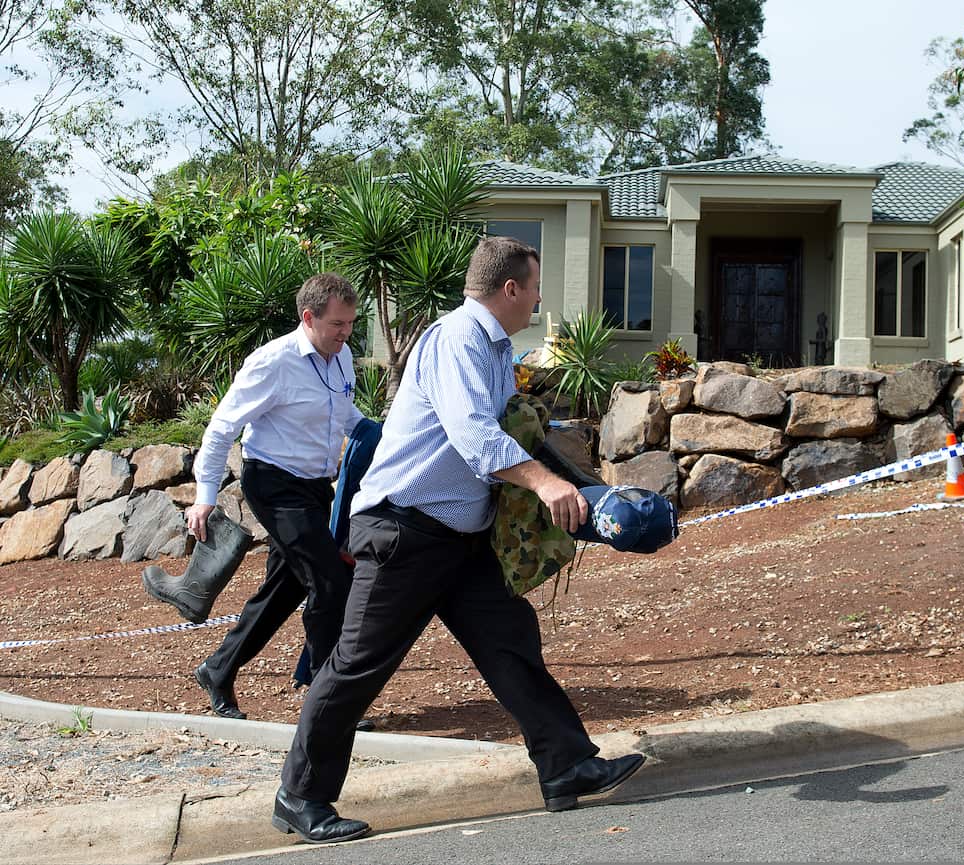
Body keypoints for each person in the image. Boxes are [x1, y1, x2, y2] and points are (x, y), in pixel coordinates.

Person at [271, 237, 645, 844]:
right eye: (536, 286)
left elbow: (515, 434)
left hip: (458, 537)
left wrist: (591, 492)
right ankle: (300, 795)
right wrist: (547, 487)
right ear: (511, 289)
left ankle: (566, 764)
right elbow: (474, 436)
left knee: (510, 640)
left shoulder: (496, 348)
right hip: (404, 530)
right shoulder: (457, 339)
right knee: (357, 665)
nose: (541, 299)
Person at [187, 272, 364, 722]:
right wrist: (204, 495)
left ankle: (218, 668)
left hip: (314, 489)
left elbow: (347, 416)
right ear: (309, 318)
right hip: (274, 485)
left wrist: (376, 434)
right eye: (337, 324)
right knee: (330, 582)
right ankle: (329, 701)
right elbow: (222, 427)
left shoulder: (341, 358)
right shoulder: (273, 361)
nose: (346, 333)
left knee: (283, 591)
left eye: (350, 323)